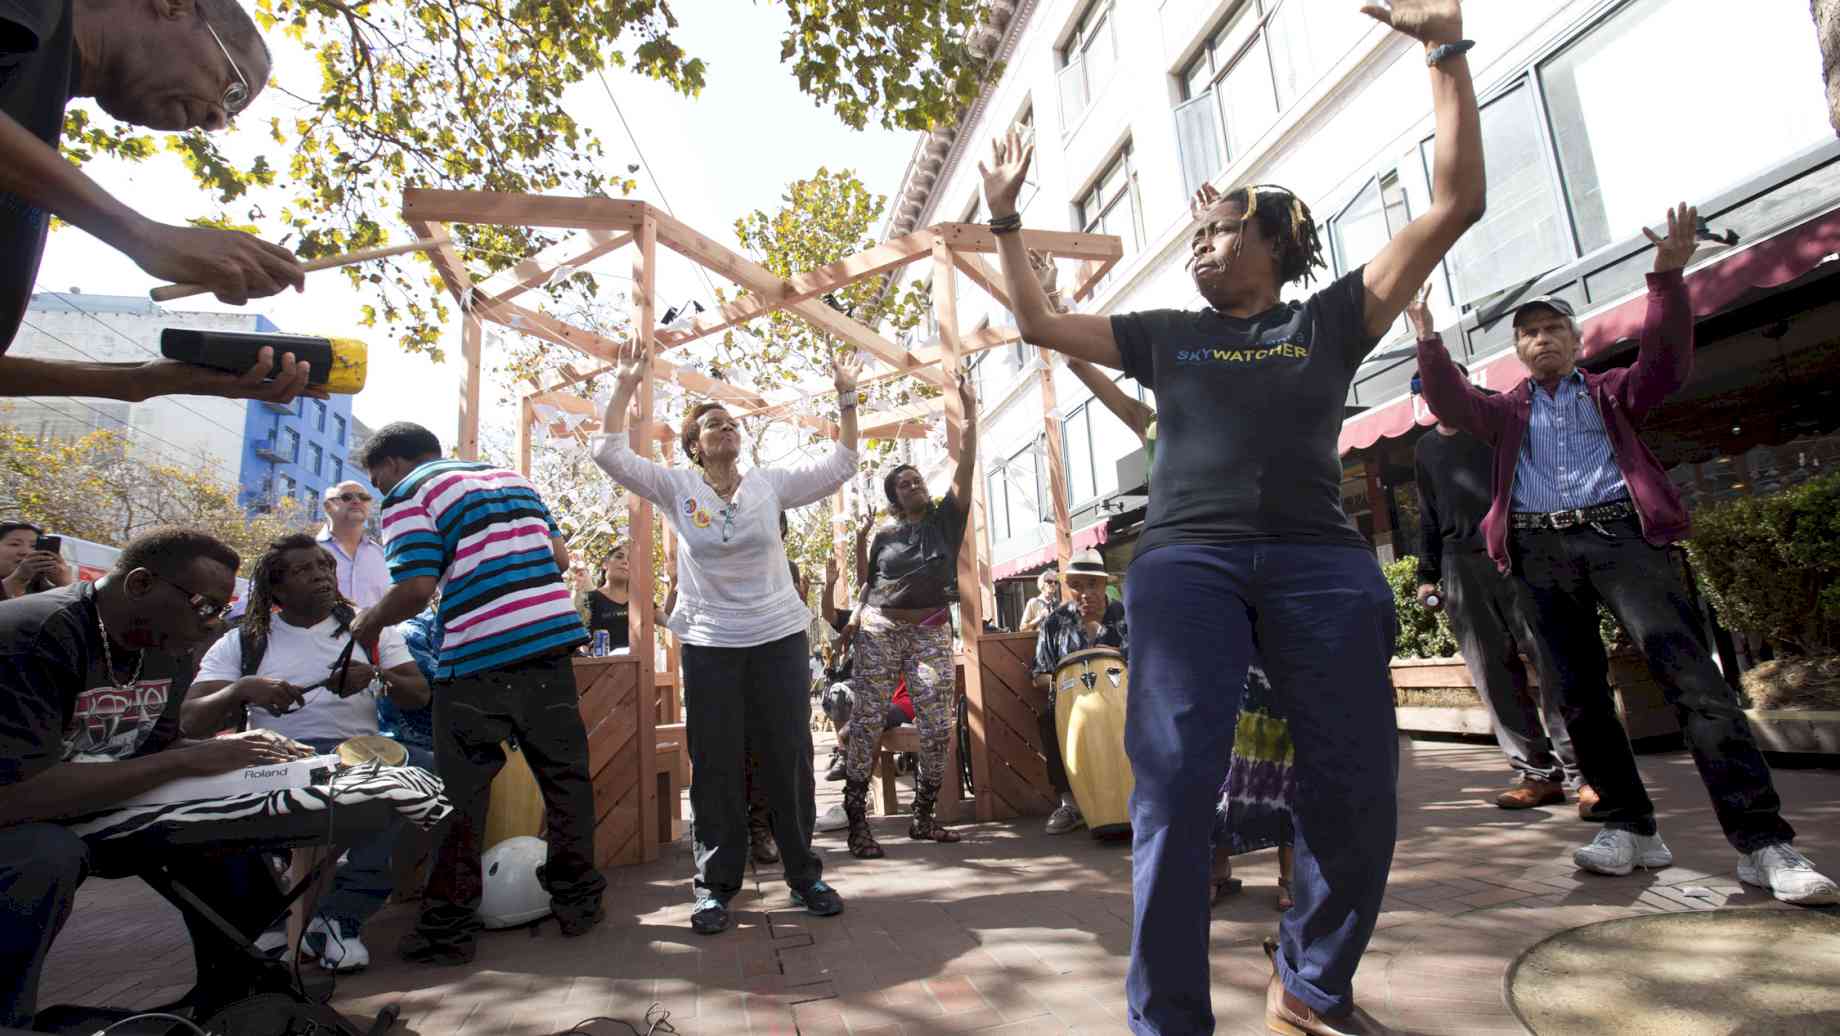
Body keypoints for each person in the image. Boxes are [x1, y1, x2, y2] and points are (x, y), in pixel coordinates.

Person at [981, 2, 1483, 1029]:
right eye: (1198, 234)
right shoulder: (1167, 333)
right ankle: (1168, 1018)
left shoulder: (1332, 317)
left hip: (1317, 558)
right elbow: (1035, 319)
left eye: (1219, 232)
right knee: (1168, 789)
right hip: (1185, 561)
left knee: (1355, 787)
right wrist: (1004, 219)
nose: (1199, 247)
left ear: (1272, 242)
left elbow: (1456, 201)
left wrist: (1442, 49)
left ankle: (1311, 983)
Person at [1413, 204, 1838, 907]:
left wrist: (1666, 277)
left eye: (1553, 329)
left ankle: (1764, 843)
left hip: (1621, 539)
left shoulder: (1614, 392)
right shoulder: (1504, 413)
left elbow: (1667, 360)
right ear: (1516, 352)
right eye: (1529, 334)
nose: (1542, 339)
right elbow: (1451, 403)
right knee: (1578, 696)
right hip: (1539, 552)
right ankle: (1629, 828)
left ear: (1577, 341)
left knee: (1694, 686)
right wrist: (1427, 338)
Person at [1041, 249, 1299, 907]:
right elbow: (1083, 363)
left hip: (1261, 573)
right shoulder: (1152, 423)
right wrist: (1051, 309)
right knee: (1203, 728)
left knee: (1283, 726)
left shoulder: (1252, 405)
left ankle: (1295, 875)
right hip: (1191, 587)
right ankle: (1212, 869)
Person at [592, 337, 859, 936]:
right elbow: (608, 455)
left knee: (787, 756)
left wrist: (845, 396)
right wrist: (625, 385)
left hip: (779, 636)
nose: (726, 429)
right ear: (695, 444)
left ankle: (804, 875)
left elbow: (843, 464)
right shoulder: (675, 488)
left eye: (732, 423)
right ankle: (715, 887)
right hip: (710, 642)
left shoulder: (770, 485)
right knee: (713, 762)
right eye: (714, 425)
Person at [0, 527, 313, 1026]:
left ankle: (236, 1005)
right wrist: (187, 761)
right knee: (44, 855)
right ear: (141, 585)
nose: (211, 624)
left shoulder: (164, 645)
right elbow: (15, 797)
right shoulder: (33, 634)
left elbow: (159, 749)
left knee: (226, 829)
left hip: (94, 806)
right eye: (203, 606)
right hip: (24, 821)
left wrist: (230, 755)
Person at [349, 421, 606, 965]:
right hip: (549, 645)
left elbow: (417, 588)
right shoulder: (512, 478)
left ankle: (447, 930)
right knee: (566, 783)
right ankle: (580, 904)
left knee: (461, 798)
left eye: (375, 479)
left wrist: (368, 624)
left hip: (477, 659)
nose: (378, 490)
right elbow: (559, 560)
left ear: (392, 465)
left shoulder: (408, 493)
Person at [0, 0, 315, 403]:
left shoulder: (31, 136)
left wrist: (141, 382)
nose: (217, 121)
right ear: (174, 7)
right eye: (233, 90)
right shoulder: (40, 11)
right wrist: (143, 236)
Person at [182, 533, 431, 972]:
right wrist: (242, 690)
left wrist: (376, 675)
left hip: (354, 755)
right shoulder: (244, 641)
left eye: (324, 566)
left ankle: (339, 917)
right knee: (204, 802)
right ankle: (273, 921)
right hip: (276, 757)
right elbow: (191, 719)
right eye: (303, 570)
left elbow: (418, 693)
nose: (320, 575)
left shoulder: (369, 628)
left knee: (420, 771)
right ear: (276, 588)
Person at [1411, 365, 1588, 812]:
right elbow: (1428, 515)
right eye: (1428, 392)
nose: (1436, 398)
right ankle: (1535, 773)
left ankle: (1586, 773)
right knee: (1492, 672)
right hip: (1460, 568)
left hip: (1519, 553)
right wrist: (1427, 574)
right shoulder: (1427, 448)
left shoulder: (1499, 422)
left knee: (1552, 661)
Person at [839, 376, 979, 858]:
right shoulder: (886, 536)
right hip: (881, 626)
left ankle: (923, 817)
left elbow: (966, 467)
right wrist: (855, 610)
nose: (915, 484)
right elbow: (866, 581)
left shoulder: (946, 519)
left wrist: (970, 416)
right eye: (904, 483)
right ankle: (858, 820)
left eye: (917, 478)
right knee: (867, 718)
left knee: (939, 725)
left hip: (931, 628)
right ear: (894, 498)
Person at [1030, 550, 1128, 836]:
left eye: (1092, 584)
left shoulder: (1125, 615)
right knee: (1048, 719)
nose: (1085, 592)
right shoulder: (1054, 622)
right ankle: (1070, 804)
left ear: (1103, 584)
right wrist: (1064, 685)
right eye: (1076, 585)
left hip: (1122, 701)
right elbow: (1039, 675)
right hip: (1073, 707)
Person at [316, 481, 390, 609]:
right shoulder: (310, 553)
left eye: (364, 498)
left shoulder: (383, 556)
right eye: (347, 497)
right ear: (328, 506)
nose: (357, 501)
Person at [0, 520, 72, 599]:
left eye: (33, 546)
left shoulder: (45, 591)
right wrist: (18, 579)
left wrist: (65, 584)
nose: (26, 552)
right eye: (15, 544)